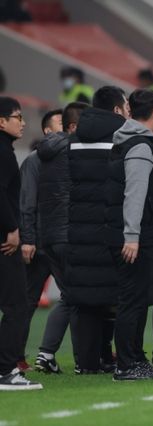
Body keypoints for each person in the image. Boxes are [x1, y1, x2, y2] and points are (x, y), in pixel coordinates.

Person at [66, 86, 130, 374]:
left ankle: (87, 364)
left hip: (79, 229)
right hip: (110, 226)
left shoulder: (74, 139)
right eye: (126, 107)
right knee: (120, 298)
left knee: (86, 301)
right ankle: (123, 359)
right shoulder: (123, 138)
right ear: (116, 109)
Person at [105, 89, 153, 381]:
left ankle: (135, 359)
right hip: (133, 237)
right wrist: (132, 235)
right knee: (132, 301)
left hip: (128, 233)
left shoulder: (126, 141)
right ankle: (127, 364)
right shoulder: (141, 147)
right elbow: (135, 193)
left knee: (136, 299)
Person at [33, 102, 89, 373]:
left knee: (69, 296)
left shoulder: (46, 153)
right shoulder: (75, 149)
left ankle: (47, 355)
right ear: (74, 127)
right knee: (77, 298)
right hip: (69, 233)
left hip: (50, 235)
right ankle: (84, 361)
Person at [0, 96, 42, 390]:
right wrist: (12, 229)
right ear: (1, 122)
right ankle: (5, 371)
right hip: (5, 241)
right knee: (16, 305)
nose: (23, 123)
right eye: (18, 117)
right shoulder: (3, 152)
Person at [17, 109, 63, 372]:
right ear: (47, 130)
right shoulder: (34, 161)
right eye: (61, 123)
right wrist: (28, 238)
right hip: (39, 243)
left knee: (76, 298)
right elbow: (27, 202)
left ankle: (50, 355)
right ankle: (14, 356)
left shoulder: (67, 158)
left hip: (60, 241)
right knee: (26, 301)